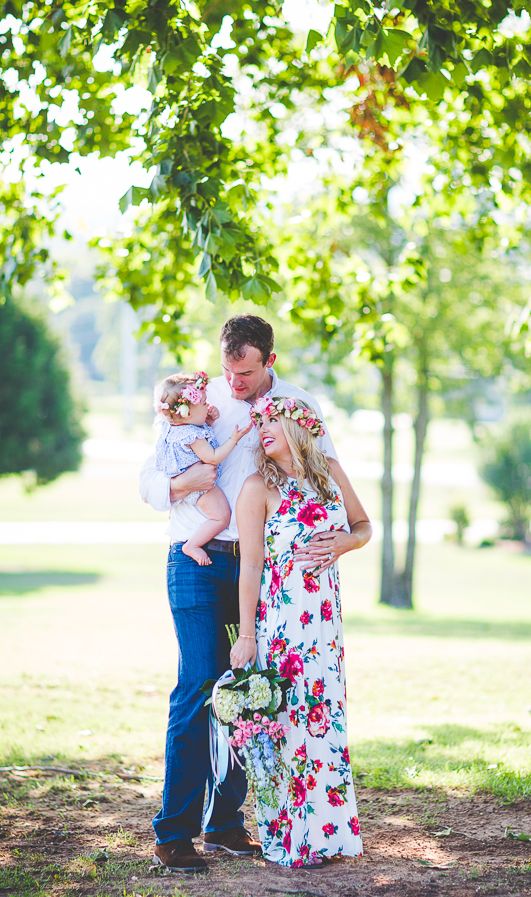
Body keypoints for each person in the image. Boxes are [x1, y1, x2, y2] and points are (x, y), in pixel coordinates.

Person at [139, 314, 350, 872]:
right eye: (228, 370)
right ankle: (174, 832)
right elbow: (148, 483)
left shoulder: (298, 406)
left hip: (263, 571)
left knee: (250, 687)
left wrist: (336, 537)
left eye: (246, 373)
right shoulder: (195, 402)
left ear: (269, 363)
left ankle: (226, 825)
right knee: (199, 684)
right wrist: (188, 483)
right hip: (198, 559)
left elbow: (320, 473)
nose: (234, 383)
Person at [229, 395, 369, 867]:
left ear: (299, 426)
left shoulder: (329, 471)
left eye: (272, 420)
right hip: (283, 623)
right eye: (259, 422)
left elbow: (364, 526)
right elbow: (249, 567)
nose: (263, 428)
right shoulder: (257, 488)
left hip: (325, 625)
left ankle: (329, 834)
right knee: (287, 725)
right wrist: (246, 635)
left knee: (324, 719)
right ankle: (291, 838)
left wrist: (348, 542)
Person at [152, 371, 249, 565]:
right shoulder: (193, 437)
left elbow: (197, 429)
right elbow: (212, 457)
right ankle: (193, 545)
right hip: (202, 487)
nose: (208, 406)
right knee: (221, 517)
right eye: (204, 403)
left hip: (185, 482)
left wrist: (208, 421)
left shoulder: (171, 428)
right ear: (186, 412)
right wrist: (233, 439)